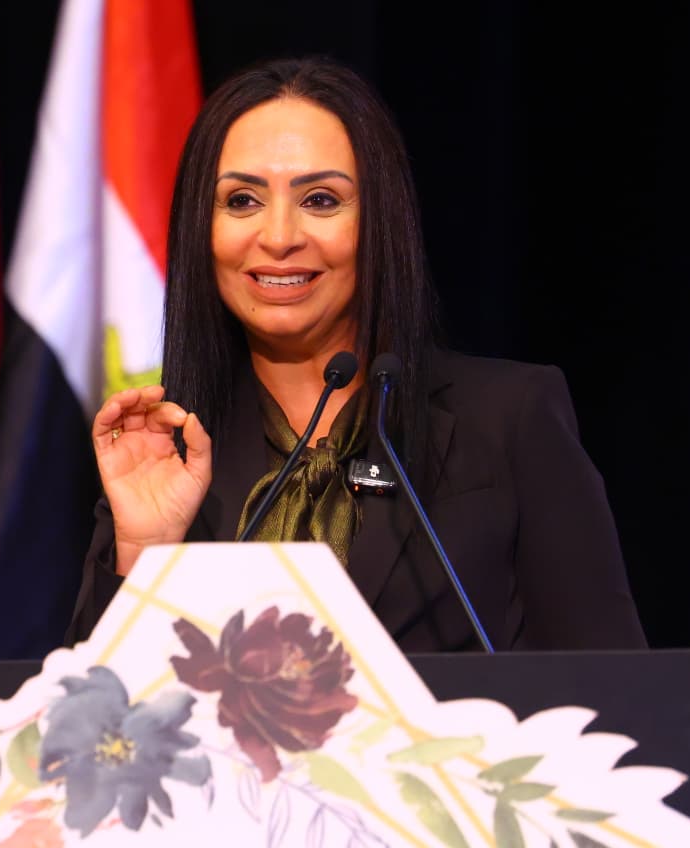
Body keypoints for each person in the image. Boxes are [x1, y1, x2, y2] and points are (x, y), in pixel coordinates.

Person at [65, 56, 646, 652]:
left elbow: (613, 682)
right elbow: (91, 704)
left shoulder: (508, 417)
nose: (280, 237)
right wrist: (144, 549)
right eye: (241, 200)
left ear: (379, 222)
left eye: (320, 200)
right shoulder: (167, 448)